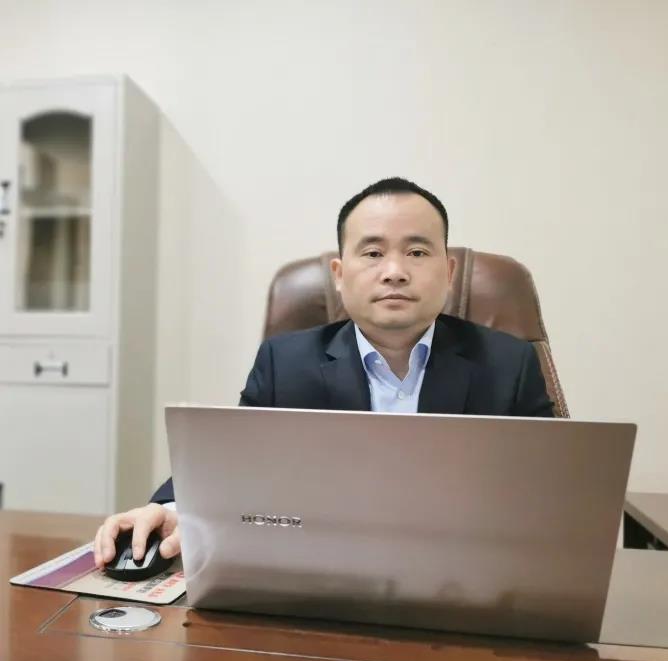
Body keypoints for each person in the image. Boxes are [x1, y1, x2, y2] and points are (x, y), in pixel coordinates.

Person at [93, 177, 554, 569]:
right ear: (339, 273)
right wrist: (172, 509)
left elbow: (551, 494)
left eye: (417, 252)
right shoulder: (285, 363)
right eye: (372, 253)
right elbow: (230, 466)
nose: (395, 271)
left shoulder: (508, 364)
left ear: (449, 272)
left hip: (463, 578)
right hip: (323, 577)